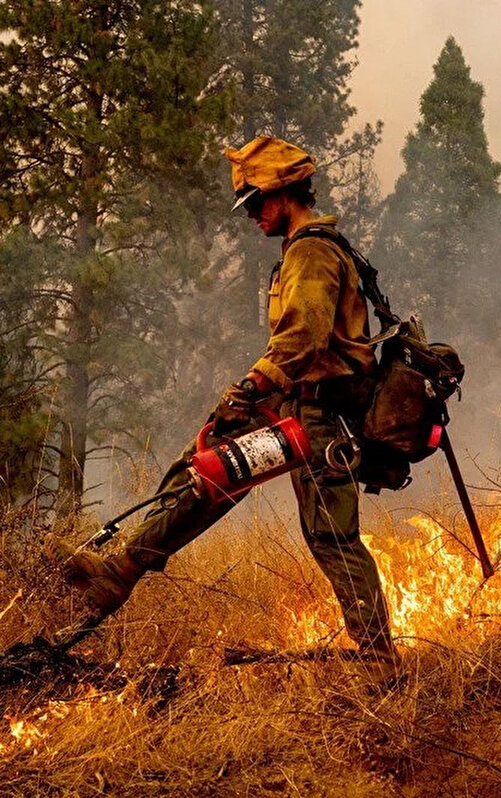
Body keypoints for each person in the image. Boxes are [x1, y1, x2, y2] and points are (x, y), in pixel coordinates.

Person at [57, 137, 401, 684]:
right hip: (293, 407)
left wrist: (247, 388)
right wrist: (248, 404)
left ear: (285, 193)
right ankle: (121, 570)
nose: (253, 218)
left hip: (322, 417)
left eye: (257, 203)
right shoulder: (303, 248)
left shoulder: (311, 251)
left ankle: (380, 658)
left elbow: (303, 340)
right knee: (207, 471)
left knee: (330, 535)